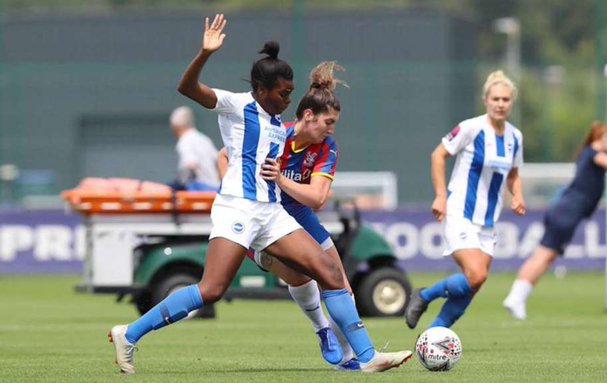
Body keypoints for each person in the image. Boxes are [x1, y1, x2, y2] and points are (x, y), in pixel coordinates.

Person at [107, 14, 411, 374]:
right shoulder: (237, 105)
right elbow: (187, 88)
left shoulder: (278, 126)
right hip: (237, 209)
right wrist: (205, 53)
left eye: (290, 92)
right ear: (261, 89)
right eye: (283, 93)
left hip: (269, 212)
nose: (287, 99)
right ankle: (130, 333)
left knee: (328, 270)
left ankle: (366, 357)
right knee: (212, 289)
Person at [217, 61, 359, 371]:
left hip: (302, 218)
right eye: (329, 122)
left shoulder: (327, 147)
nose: (332, 131)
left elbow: (318, 198)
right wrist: (234, 194)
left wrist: (282, 180)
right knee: (301, 277)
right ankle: (321, 328)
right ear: (309, 117)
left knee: (341, 285)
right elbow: (224, 155)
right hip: (267, 216)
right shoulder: (277, 134)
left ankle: (350, 359)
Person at [404, 70, 526, 330]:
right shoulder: (471, 128)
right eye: (496, 99)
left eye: (505, 99)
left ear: (511, 102)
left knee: (475, 283)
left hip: (489, 221)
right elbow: (438, 155)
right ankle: (424, 296)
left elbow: (514, 173)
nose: (501, 104)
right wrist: (440, 195)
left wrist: (518, 194)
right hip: (460, 211)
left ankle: (434, 335)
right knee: (476, 274)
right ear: (486, 100)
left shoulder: (515, 137)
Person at [503, 122, 607, 320]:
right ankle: (516, 297)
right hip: (566, 212)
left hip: (566, 212)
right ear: (602, 138)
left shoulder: (591, 156)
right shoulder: (592, 154)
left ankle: (518, 296)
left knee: (546, 256)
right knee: (543, 255)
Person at [169, 105, 220, 191]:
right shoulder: (204, 139)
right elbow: (218, 162)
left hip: (199, 193)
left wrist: (175, 187)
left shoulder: (185, 141)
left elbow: (190, 165)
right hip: (215, 190)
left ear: (176, 127)